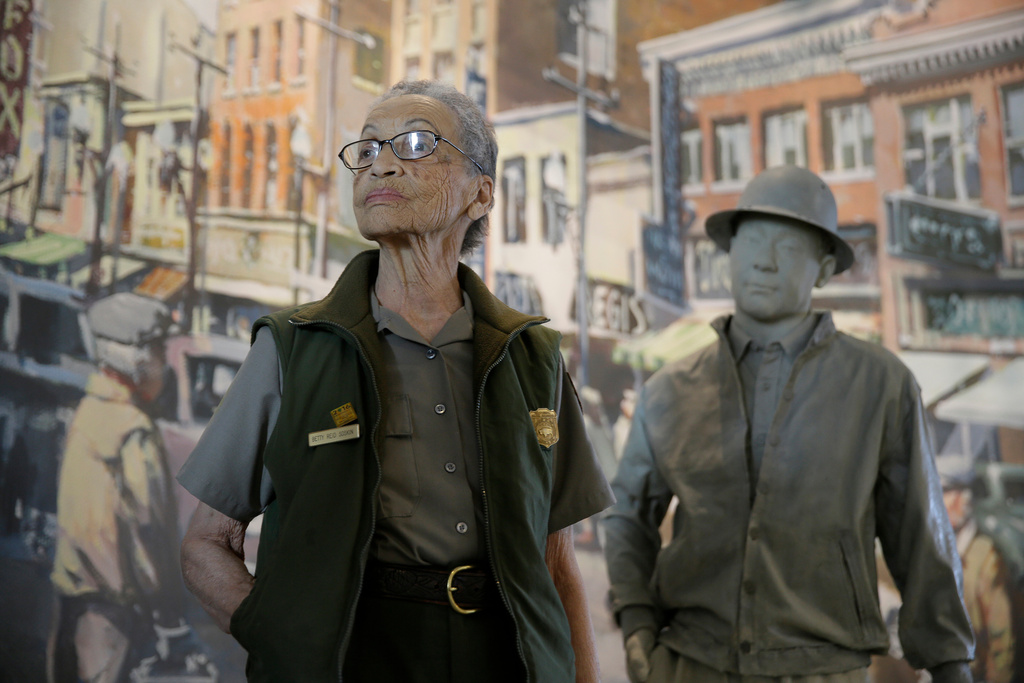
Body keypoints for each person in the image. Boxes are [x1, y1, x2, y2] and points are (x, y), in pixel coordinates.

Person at [177, 79, 614, 683]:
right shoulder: (293, 348)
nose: (379, 161)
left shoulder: (532, 357)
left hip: (505, 658)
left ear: (480, 194)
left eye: (413, 143)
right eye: (366, 148)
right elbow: (205, 543)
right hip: (355, 659)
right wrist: (280, 635)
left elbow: (558, 565)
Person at [602, 165, 975, 683]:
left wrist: (951, 662)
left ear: (823, 268)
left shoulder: (880, 386)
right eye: (751, 239)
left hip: (825, 667)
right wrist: (638, 622)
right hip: (691, 664)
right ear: (729, 250)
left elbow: (920, 535)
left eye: (789, 247)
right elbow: (627, 517)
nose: (765, 261)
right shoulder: (670, 390)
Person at [48, 292, 186, 683]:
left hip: (70, 603)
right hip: (115, 616)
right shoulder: (134, 430)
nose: (164, 364)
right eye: (159, 350)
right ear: (136, 357)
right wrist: (167, 613)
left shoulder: (87, 414)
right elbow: (148, 531)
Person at [939, 455, 1017, 683]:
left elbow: (1002, 643)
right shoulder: (942, 551)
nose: (937, 503)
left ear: (964, 498)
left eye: (944, 492)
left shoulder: (985, 556)